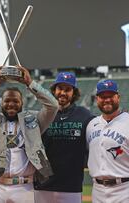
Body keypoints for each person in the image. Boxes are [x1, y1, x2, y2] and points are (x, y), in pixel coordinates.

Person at [0, 66, 58, 203]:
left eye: (16, 101)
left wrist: (29, 83)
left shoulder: (33, 119)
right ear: (2, 103)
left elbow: (53, 106)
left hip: (24, 187)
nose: (11, 104)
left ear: (22, 103)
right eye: (7, 101)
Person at [86, 79, 129, 203]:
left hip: (126, 189)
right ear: (97, 99)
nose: (107, 100)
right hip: (97, 190)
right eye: (102, 96)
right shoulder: (91, 125)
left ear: (118, 97)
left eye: (111, 96)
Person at [33, 72, 94, 202]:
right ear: (54, 90)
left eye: (68, 90)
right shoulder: (43, 115)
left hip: (71, 186)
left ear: (74, 92)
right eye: (60, 88)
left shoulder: (85, 115)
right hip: (43, 185)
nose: (63, 93)